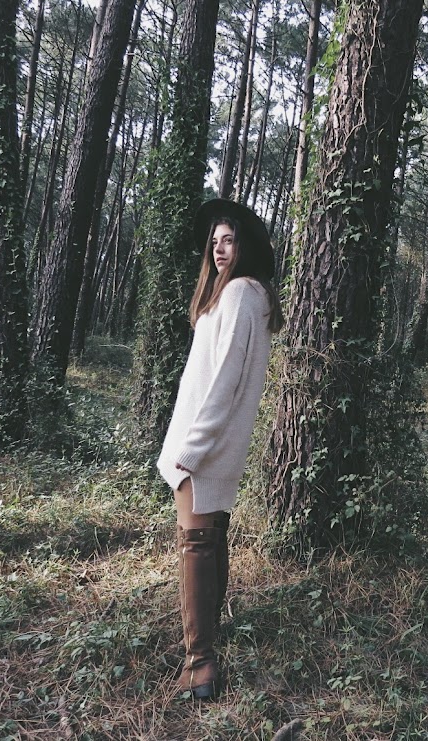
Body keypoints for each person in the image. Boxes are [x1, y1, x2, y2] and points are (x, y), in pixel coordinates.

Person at [157, 198, 284, 700]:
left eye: (228, 240)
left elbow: (225, 379)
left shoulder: (238, 294)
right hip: (217, 443)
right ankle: (207, 641)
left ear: (245, 245)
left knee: (196, 543)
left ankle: (200, 663)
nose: (218, 249)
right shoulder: (248, 295)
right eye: (214, 242)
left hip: (206, 445)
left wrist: (192, 448)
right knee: (210, 540)